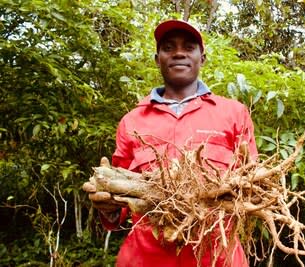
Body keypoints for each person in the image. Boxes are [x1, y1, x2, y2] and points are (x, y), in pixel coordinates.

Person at [86, 19, 258, 267]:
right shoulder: (131, 121)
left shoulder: (234, 114)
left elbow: (252, 185)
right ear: (158, 59)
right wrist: (108, 207)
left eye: (189, 47)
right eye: (168, 47)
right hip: (146, 258)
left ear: (202, 58)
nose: (179, 53)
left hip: (218, 258)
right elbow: (120, 202)